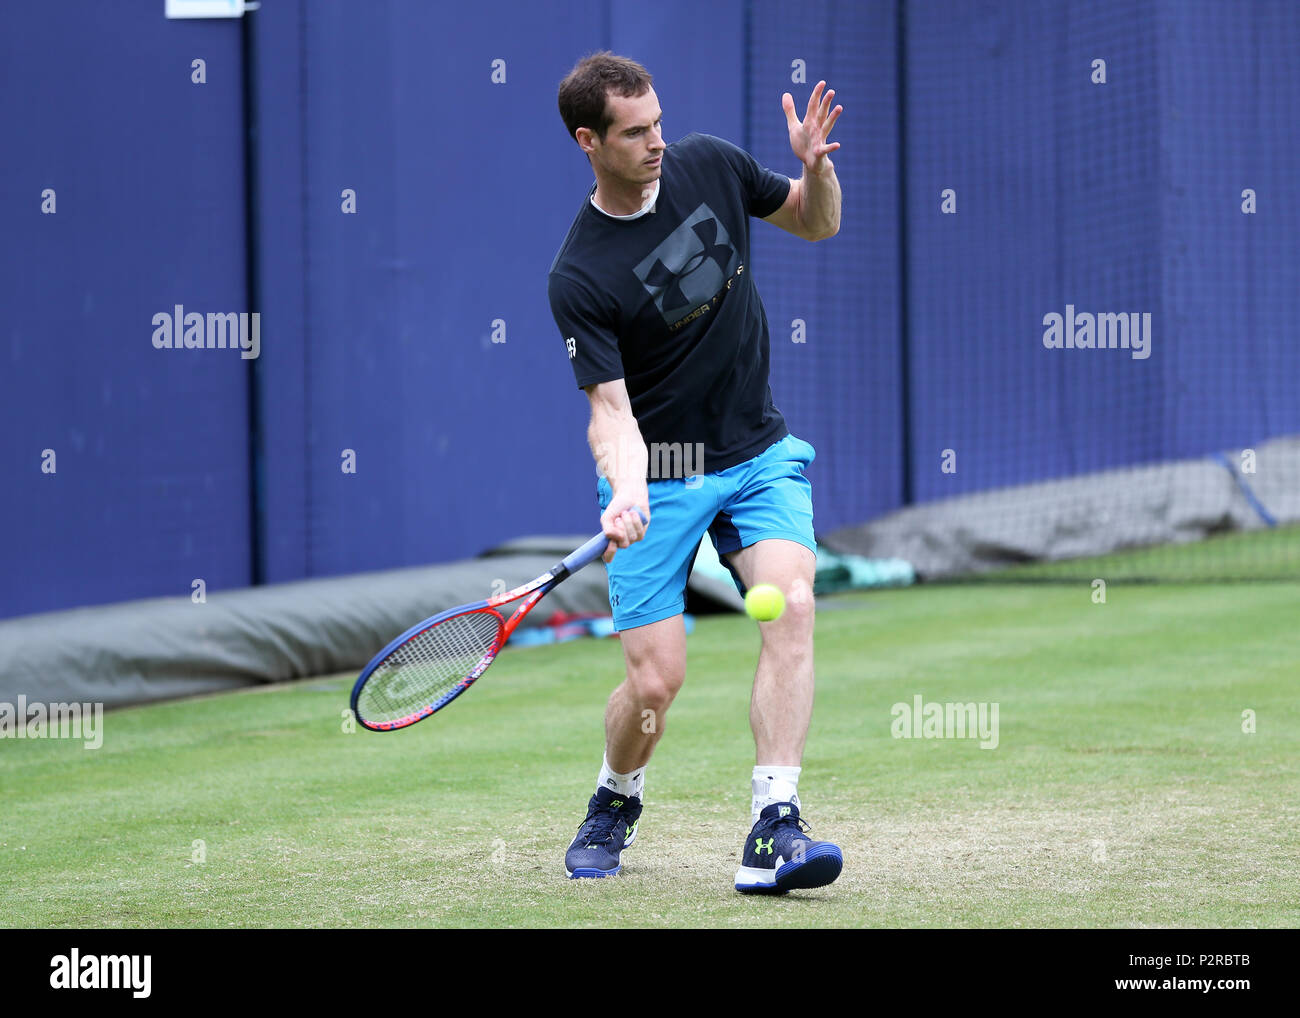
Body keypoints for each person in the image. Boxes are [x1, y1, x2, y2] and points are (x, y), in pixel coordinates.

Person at [547, 51, 843, 894]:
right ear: (589, 141)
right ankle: (616, 794)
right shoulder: (579, 274)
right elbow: (609, 411)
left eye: (659, 124)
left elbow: (816, 223)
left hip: (755, 450)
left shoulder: (708, 162)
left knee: (791, 602)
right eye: (635, 133)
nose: (656, 145)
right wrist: (629, 487)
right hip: (660, 472)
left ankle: (775, 824)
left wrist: (814, 170)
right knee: (655, 681)